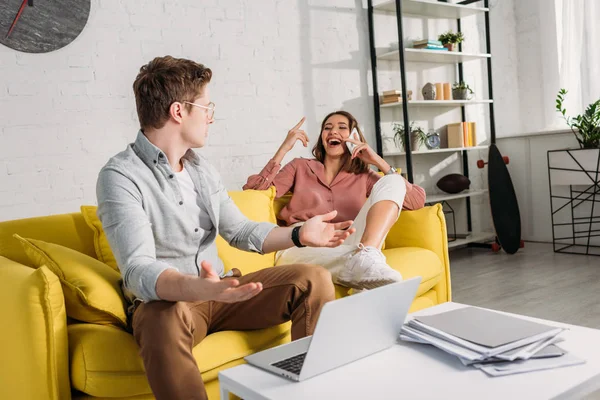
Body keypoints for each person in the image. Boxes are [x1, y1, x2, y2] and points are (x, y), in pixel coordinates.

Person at [96, 56, 358, 400]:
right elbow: (137, 269)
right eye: (206, 107)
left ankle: (315, 392)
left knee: (313, 279)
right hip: (172, 304)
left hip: (221, 293)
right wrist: (196, 288)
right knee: (159, 319)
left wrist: (298, 234)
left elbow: (241, 231)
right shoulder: (121, 176)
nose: (211, 117)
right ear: (179, 111)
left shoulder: (201, 169)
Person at [244, 111, 426, 290]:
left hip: (347, 239)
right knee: (365, 265)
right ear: (322, 137)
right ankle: (363, 268)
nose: (333, 132)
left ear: (354, 137)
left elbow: (416, 199)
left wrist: (378, 161)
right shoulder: (299, 166)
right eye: (327, 128)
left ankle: (367, 256)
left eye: (342, 127)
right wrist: (284, 148)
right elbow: (253, 192)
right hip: (303, 241)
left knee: (393, 179)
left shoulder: (363, 176)